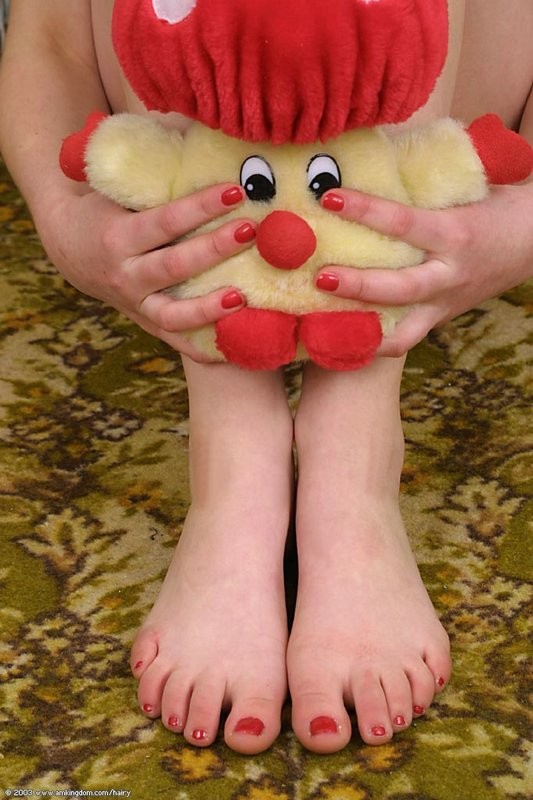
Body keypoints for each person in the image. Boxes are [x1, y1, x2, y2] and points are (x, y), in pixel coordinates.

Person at [0, 0, 531, 756]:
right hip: (179, 149)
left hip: (466, 133)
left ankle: (353, 443)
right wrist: (61, 211)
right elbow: (52, 36)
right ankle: (234, 446)